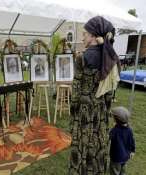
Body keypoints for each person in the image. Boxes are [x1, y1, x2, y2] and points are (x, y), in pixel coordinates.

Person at [69, 16, 121, 174]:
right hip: (100, 114)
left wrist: (73, 118)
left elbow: (76, 93)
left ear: (92, 36)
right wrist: (105, 112)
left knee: (82, 147)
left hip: (83, 114)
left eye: (84, 34)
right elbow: (109, 93)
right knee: (97, 147)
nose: (82, 37)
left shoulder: (82, 59)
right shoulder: (110, 59)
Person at [109, 106, 135, 175]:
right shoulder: (129, 130)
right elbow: (132, 141)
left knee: (115, 172)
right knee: (122, 172)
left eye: (114, 117)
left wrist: (113, 127)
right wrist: (132, 151)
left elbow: (108, 137)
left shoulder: (115, 131)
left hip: (116, 158)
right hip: (125, 157)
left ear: (116, 120)